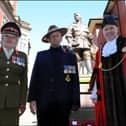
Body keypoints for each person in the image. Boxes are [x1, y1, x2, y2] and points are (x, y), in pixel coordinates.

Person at [28, 25, 80, 126]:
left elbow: (74, 80)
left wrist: (76, 101)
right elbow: (34, 78)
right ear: (48, 39)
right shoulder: (41, 56)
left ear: (61, 37)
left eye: (57, 35)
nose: (55, 38)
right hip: (43, 102)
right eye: (52, 36)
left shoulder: (70, 57)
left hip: (64, 103)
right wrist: (32, 99)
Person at [89, 15, 126, 126]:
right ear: (103, 32)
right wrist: (94, 91)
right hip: (106, 94)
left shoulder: (124, 43)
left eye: (111, 28)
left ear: (117, 29)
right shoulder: (100, 52)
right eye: (106, 29)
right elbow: (96, 72)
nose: (109, 31)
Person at [0, 22, 28, 126]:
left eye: (13, 37)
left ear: (17, 40)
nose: (9, 39)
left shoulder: (22, 56)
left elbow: (24, 81)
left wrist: (22, 103)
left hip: (13, 102)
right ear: (2, 38)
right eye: (6, 36)